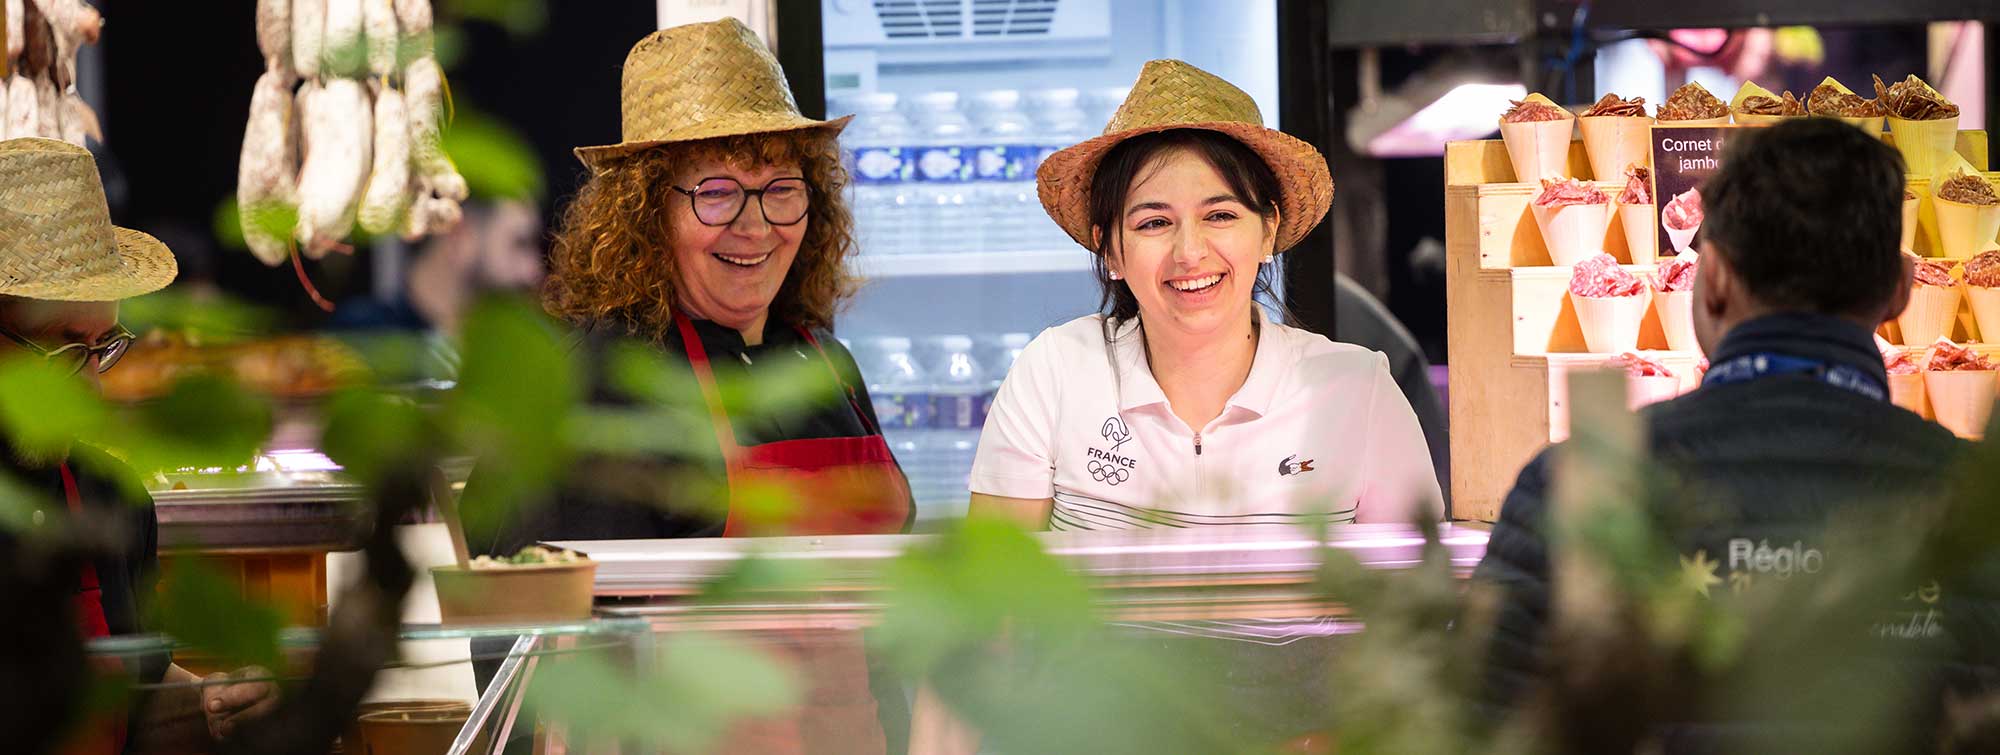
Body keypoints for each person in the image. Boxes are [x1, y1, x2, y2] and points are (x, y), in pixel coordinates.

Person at [468, 19, 909, 754]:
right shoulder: (600, 377)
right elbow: (526, 644)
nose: (756, 225)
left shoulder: (825, 361)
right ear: (648, 210)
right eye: (716, 193)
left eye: (780, 189)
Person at [1471, 118, 1983, 749]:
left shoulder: (1580, 486)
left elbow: (1472, 723)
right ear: (1902, 290)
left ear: (1710, 277)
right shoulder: (1979, 500)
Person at [967, 59, 1443, 530]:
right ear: (1109, 250)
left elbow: (1415, 594)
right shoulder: (1054, 371)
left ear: (1267, 232)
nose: (1190, 253)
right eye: (1154, 223)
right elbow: (991, 591)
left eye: (1220, 216)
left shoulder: (1357, 388)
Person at [0, 138, 275, 753]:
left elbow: (136, 694)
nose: (93, 390)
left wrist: (210, 708)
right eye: (67, 351)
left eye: (102, 348)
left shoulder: (113, 500)